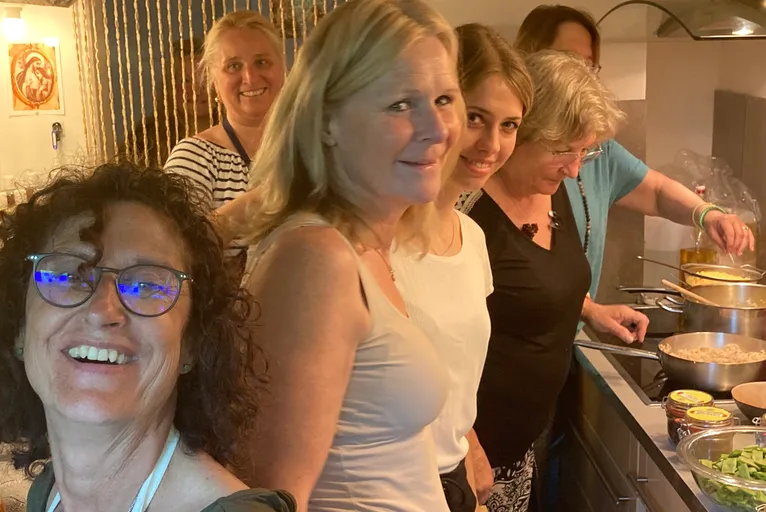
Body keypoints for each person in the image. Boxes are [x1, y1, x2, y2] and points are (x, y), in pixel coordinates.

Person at [0, 162, 296, 512]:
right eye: (72, 275)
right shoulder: (50, 493)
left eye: (147, 284)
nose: (103, 311)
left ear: (191, 344)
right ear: (20, 329)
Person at [234, 0, 462, 509]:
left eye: (444, 98)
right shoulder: (317, 259)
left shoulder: (367, 246)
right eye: (401, 104)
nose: (437, 127)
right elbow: (270, 495)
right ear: (327, 121)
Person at [516, 4, 755, 343]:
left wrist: (708, 215)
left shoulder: (599, 151)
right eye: (569, 62)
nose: (574, 166)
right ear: (532, 63)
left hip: (563, 338)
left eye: (589, 66)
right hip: (521, 346)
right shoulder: (511, 160)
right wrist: (587, 308)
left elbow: (655, 191)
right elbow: (521, 272)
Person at [460, 50, 620, 511]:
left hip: (524, 442)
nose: (574, 169)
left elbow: (536, 282)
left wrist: (591, 309)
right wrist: (467, 442)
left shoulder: (552, 190)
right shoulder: (467, 212)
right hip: (477, 454)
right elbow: (431, 339)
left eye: (583, 152)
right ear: (523, 131)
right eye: (562, 150)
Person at [391, 23, 532, 512]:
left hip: (451, 478)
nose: (492, 143)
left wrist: (468, 443)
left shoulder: (472, 240)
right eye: (476, 117)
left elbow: (450, 369)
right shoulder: (376, 241)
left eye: (509, 125)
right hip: (391, 489)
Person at [164, 11, 285, 209]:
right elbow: (175, 239)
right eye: (234, 66)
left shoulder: (317, 144)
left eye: (261, 62)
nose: (250, 77)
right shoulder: (195, 157)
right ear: (215, 83)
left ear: (282, 68)